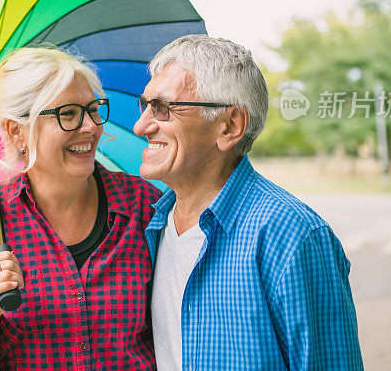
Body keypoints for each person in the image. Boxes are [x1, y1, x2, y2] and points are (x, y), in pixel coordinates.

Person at [134, 35, 363, 370]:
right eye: (145, 106)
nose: (142, 127)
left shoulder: (292, 235)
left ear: (229, 126)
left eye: (164, 108)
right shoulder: (153, 223)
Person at [0, 47, 160, 370]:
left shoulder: (144, 204)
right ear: (18, 132)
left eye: (93, 109)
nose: (90, 126)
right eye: (69, 114)